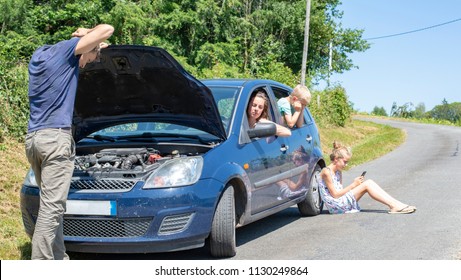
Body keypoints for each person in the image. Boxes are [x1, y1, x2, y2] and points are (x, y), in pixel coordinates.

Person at [25, 24, 114, 260]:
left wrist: (94, 45)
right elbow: (108, 28)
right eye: (92, 58)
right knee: (52, 208)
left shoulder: (40, 54)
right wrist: (87, 34)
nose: (86, 65)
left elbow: (99, 42)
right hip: (55, 140)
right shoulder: (68, 52)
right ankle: (41, 264)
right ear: (83, 48)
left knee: (50, 206)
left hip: (34, 139)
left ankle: (59, 259)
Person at [319, 141, 416, 214]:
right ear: (336, 159)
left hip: (341, 201)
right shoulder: (326, 172)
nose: (346, 165)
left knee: (368, 183)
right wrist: (353, 185)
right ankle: (394, 205)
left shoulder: (338, 172)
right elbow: (335, 195)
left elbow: (340, 191)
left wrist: (355, 186)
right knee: (368, 184)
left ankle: (396, 204)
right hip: (336, 206)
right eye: (345, 161)